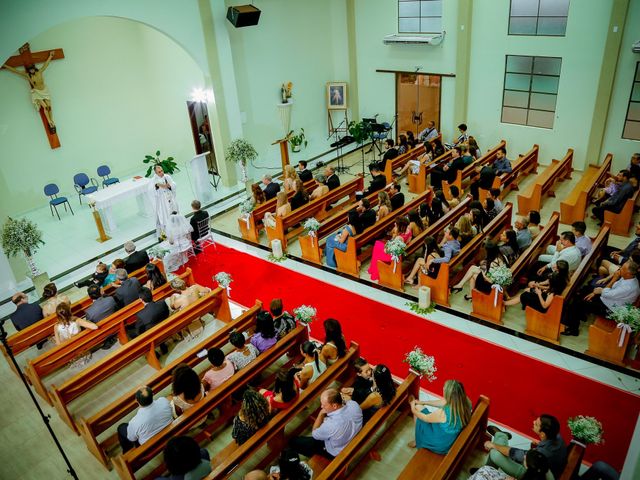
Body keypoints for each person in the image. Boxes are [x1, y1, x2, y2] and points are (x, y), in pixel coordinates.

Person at [563, 260, 640, 336]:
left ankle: (573, 329)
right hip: (610, 300)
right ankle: (580, 314)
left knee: (578, 303)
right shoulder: (628, 278)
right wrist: (596, 292)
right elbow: (610, 290)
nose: (619, 270)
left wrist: (614, 278)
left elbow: (606, 293)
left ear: (628, 273)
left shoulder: (628, 287)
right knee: (584, 291)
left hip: (610, 310)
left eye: (622, 269)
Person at [483, 415, 567, 480]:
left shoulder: (541, 454)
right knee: (496, 449)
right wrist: (540, 444)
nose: (533, 422)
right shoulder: (557, 436)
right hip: (545, 471)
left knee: (494, 453)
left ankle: (501, 436)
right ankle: (487, 470)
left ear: (543, 434)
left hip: (532, 474)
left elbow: (514, 453)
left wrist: (493, 445)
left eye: (536, 424)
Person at [290, 388, 363, 458]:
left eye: (324, 405)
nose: (321, 407)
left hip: (336, 451)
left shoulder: (330, 425)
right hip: (353, 437)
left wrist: (320, 414)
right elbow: (348, 400)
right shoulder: (354, 405)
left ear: (334, 406)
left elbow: (315, 434)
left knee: (295, 442)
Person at [409, 379, 471, 454]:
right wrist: (423, 402)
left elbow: (425, 418)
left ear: (449, 396)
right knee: (419, 406)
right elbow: (444, 402)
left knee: (417, 408)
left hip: (439, 442)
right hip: (449, 437)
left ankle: (418, 440)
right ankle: (418, 438)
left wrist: (412, 408)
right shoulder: (465, 402)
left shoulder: (444, 413)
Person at [3, 51, 57, 130]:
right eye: (30, 70)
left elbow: (46, 64)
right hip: (37, 93)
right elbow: (15, 71)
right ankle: (50, 122)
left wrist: (50, 56)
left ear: (34, 68)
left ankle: (52, 120)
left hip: (45, 91)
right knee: (45, 107)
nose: (31, 71)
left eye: (32, 69)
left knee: (49, 107)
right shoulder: (28, 75)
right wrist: (5, 65)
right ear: (29, 71)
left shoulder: (39, 72)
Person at [117, 386, 173, 453]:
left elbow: (131, 438)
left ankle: (127, 451)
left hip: (150, 448)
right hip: (170, 433)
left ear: (136, 401)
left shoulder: (134, 422)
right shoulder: (164, 401)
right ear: (153, 394)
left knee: (121, 427)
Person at [368, 216, 412, 281]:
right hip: (399, 251)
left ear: (400, 226)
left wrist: (386, 246)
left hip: (392, 256)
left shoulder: (399, 238)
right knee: (378, 243)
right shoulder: (408, 230)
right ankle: (372, 269)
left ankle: (374, 272)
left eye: (396, 223)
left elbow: (387, 251)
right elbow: (408, 241)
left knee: (377, 247)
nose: (394, 224)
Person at [469, 449, 550, 480]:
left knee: (483, 472)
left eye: (526, 458)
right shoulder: (541, 474)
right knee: (486, 469)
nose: (524, 456)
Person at [151, 165, 179, 238]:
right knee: (165, 215)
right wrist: (157, 186)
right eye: (159, 172)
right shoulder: (154, 180)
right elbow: (152, 191)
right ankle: (168, 232)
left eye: (162, 171)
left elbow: (174, 184)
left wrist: (170, 186)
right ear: (156, 172)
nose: (162, 173)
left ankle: (176, 228)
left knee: (174, 210)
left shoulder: (167, 176)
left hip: (170, 196)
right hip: (162, 200)